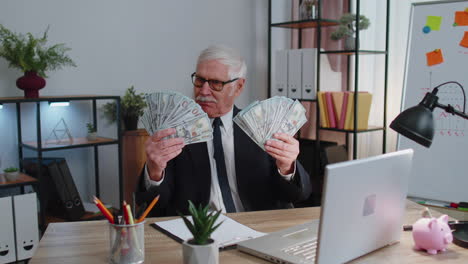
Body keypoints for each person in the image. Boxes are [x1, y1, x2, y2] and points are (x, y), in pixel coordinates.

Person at [137, 44, 311, 216]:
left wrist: (287, 168)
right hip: (199, 232)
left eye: (215, 83)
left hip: (254, 227)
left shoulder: (263, 127)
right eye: (199, 80)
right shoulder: (173, 132)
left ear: (239, 86)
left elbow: (297, 195)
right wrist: (154, 171)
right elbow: (156, 204)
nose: (203, 91)